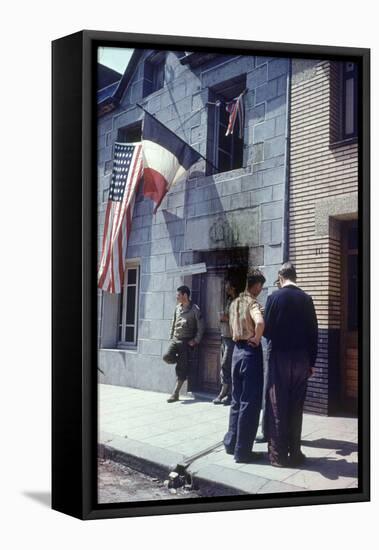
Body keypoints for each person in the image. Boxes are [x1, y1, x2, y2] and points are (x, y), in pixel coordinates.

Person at [264, 262, 318, 467]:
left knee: (278, 406)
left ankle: (278, 456)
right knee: (296, 407)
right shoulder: (307, 299)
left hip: (280, 358)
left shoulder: (273, 298)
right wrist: (311, 362)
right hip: (302, 359)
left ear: (280, 276)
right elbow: (314, 333)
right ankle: (295, 453)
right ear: (295, 277)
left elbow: (267, 331)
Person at [223, 269, 266, 463]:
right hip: (250, 352)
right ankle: (243, 452)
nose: (261, 290)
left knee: (236, 400)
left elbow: (231, 328)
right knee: (250, 402)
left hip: (236, 352)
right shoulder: (252, 302)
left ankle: (231, 444)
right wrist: (257, 339)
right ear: (255, 285)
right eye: (260, 286)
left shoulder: (234, 304)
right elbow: (260, 322)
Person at [163, 285, 204, 403]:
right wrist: (171, 337)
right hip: (175, 340)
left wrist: (196, 340)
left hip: (186, 343)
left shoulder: (194, 309)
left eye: (178, 295)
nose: (177, 297)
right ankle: (179, 360)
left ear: (185, 295)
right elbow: (173, 322)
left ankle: (175, 394)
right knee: (166, 356)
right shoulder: (177, 308)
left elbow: (201, 327)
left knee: (181, 370)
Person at [213, 279, 238, 405]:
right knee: (225, 366)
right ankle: (226, 394)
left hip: (232, 338)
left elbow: (237, 318)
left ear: (233, 287)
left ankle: (226, 394)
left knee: (226, 365)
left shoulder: (237, 301)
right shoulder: (229, 300)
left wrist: (225, 317)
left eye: (228, 286)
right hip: (225, 336)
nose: (226, 288)